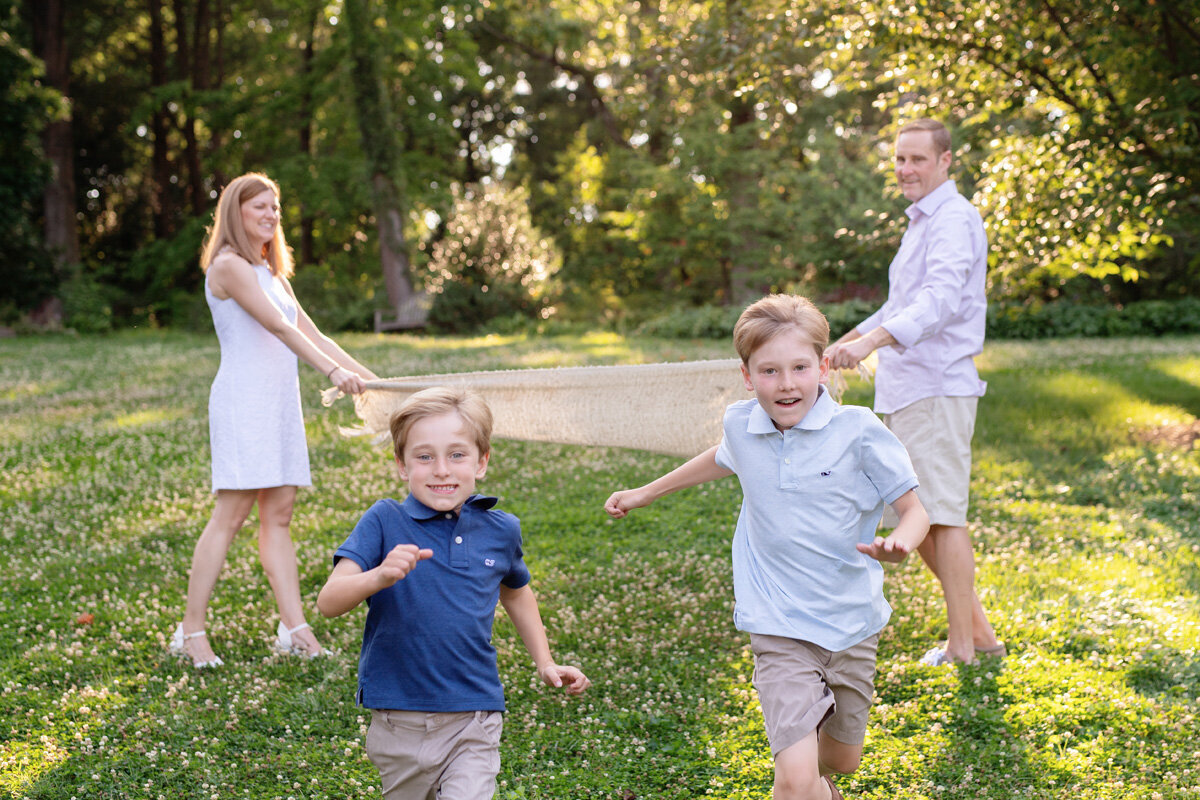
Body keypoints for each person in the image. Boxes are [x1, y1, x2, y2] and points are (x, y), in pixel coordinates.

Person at [605, 294, 929, 800]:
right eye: (770, 370)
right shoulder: (742, 423)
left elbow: (915, 511)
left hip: (852, 622)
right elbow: (724, 455)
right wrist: (647, 492)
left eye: (800, 367)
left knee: (838, 762)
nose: (786, 383)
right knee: (794, 780)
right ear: (747, 375)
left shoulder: (859, 431)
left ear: (823, 367)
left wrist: (900, 544)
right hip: (777, 623)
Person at [317, 386, 590, 800]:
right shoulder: (383, 520)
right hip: (398, 721)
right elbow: (329, 602)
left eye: (457, 455)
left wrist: (545, 661)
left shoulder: (501, 530)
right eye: (424, 457)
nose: (441, 469)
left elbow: (516, 592)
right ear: (401, 465)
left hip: (475, 715)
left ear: (482, 462)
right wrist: (378, 576)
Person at [170, 172, 377, 668]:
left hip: (279, 406)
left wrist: (374, 381)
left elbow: (314, 332)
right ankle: (190, 631)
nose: (270, 215)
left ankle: (294, 628)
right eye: (259, 206)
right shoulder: (228, 266)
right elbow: (276, 326)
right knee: (231, 516)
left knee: (279, 515)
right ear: (235, 214)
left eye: (275, 207)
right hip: (244, 405)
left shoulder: (271, 272)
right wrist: (331, 373)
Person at [825, 118, 1005, 667]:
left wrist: (873, 342)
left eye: (918, 159)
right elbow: (899, 303)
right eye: (900, 160)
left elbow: (939, 301)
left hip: (937, 385)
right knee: (918, 514)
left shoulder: (954, 219)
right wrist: (843, 344)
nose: (905, 169)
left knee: (940, 516)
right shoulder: (921, 223)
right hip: (906, 388)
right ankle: (980, 634)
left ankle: (963, 649)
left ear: (946, 160)